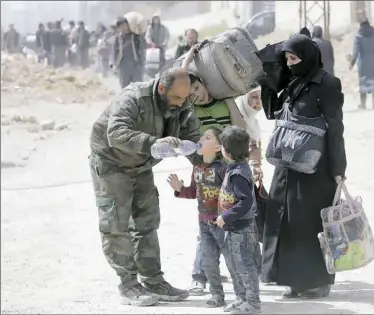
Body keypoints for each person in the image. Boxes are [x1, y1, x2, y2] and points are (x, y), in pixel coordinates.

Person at [89, 67, 201, 306]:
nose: (181, 104)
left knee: (147, 221)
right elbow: (116, 133)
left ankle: (153, 280)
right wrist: (153, 143)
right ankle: (128, 284)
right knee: (116, 224)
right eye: (176, 98)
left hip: (141, 165)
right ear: (161, 88)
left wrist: (205, 159)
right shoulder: (132, 98)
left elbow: (192, 135)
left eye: (185, 98)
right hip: (112, 164)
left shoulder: (181, 103)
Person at [261, 34, 347, 299]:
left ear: (308, 58)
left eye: (294, 58)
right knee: (284, 221)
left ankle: (317, 282)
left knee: (310, 224)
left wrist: (338, 169)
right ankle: (293, 280)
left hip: (316, 170)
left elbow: (335, 130)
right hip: (286, 166)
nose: (289, 64)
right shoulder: (291, 83)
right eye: (287, 59)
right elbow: (272, 111)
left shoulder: (328, 85)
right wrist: (270, 75)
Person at [181, 46, 263, 295]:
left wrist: (228, 100)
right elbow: (179, 81)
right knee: (207, 223)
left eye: (198, 88)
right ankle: (200, 275)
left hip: (229, 172)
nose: (196, 95)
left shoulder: (225, 104)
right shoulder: (191, 110)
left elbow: (241, 129)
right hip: (207, 174)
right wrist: (187, 59)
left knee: (238, 222)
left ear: (206, 83)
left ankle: (251, 272)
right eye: (191, 92)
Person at [168, 127, 229, 308]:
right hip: (204, 223)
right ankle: (217, 294)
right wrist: (179, 189)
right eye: (202, 136)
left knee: (233, 260)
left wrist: (227, 216)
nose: (201, 138)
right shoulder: (197, 168)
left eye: (207, 137)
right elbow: (194, 192)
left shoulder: (223, 169)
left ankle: (245, 295)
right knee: (209, 261)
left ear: (218, 148)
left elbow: (232, 195)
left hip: (223, 223)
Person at [217, 125, 261, 314]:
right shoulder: (233, 168)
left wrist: (226, 216)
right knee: (234, 264)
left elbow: (246, 202)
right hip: (232, 228)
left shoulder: (239, 174)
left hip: (241, 229)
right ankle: (241, 298)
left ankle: (252, 302)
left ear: (226, 152)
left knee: (244, 265)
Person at [350, 17, 374, 109]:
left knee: (363, 83)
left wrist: (351, 63)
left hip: (363, 63)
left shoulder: (358, 36)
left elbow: (355, 52)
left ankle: (363, 104)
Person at [111, 16, 145, 89]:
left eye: (124, 24)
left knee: (138, 88)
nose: (122, 27)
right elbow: (114, 52)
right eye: (120, 26)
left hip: (135, 66)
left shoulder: (135, 36)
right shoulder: (118, 39)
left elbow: (142, 47)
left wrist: (140, 33)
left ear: (127, 25)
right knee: (125, 89)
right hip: (123, 67)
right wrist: (114, 64)